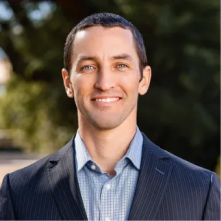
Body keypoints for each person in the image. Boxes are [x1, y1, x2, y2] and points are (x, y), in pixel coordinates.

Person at [0, 13, 221, 221]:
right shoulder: (20, 191)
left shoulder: (200, 189)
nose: (104, 83)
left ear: (144, 79)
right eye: (88, 67)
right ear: (68, 83)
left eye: (121, 65)